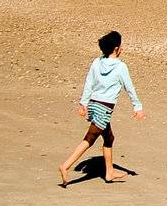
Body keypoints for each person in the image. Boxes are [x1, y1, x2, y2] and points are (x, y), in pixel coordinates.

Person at [58, 31, 146, 186]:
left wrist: (83, 104)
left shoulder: (96, 62)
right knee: (89, 139)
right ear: (117, 48)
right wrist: (137, 107)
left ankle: (109, 171)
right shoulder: (121, 67)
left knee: (109, 138)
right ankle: (66, 166)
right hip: (104, 109)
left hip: (93, 104)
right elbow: (129, 88)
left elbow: (89, 83)